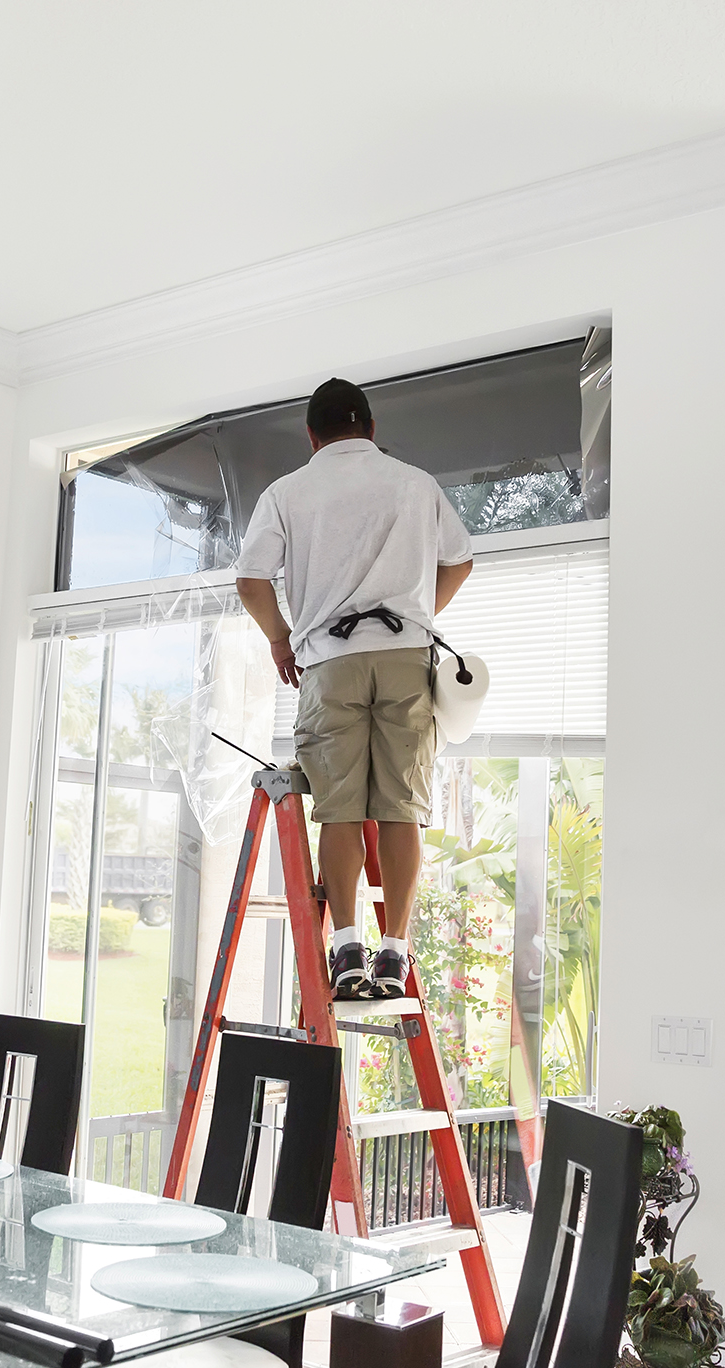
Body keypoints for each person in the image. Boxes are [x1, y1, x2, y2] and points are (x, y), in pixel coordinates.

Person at [234, 378, 474, 1000]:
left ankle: (344, 952)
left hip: (329, 661)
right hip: (404, 658)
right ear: (369, 428)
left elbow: (251, 579)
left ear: (311, 436)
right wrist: (422, 617)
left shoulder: (288, 491)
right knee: (402, 808)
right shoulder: (415, 483)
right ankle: (394, 954)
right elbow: (460, 560)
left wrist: (280, 639)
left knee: (339, 810)